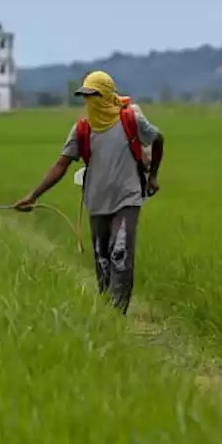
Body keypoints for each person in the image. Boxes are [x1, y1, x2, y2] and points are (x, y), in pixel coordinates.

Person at [14, 71, 164, 314]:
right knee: (103, 260)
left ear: (105, 95)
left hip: (128, 197)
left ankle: (117, 314)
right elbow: (61, 164)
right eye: (85, 96)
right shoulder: (82, 129)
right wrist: (34, 195)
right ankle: (106, 310)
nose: (89, 101)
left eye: (93, 95)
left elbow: (158, 139)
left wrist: (153, 175)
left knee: (121, 254)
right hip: (96, 201)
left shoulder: (130, 120)